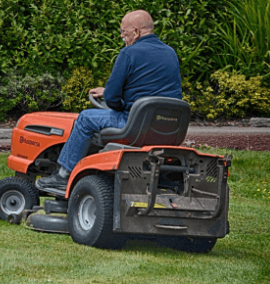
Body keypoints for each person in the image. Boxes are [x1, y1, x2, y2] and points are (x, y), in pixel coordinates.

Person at [36, 10, 182, 191]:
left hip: (135, 125)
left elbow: (112, 98)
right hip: (167, 127)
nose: (122, 37)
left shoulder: (129, 53)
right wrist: (112, 94)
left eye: (123, 32)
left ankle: (63, 175)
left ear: (136, 32)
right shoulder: (171, 53)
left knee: (85, 118)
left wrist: (117, 103)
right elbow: (153, 89)